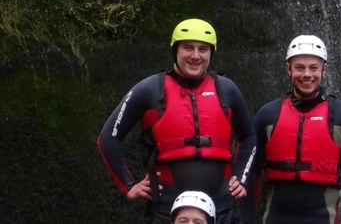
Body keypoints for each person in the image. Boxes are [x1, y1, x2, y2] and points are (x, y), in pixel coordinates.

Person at [98, 18, 257, 224]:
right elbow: (108, 138)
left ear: (211, 53)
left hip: (222, 203)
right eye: (188, 48)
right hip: (167, 204)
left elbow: (249, 136)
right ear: (176, 50)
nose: (195, 56)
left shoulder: (227, 89)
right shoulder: (149, 90)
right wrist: (129, 185)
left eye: (203, 49)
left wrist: (241, 178)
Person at [250, 34, 341, 224]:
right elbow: (251, 171)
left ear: (324, 69)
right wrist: (246, 218)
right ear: (288, 69)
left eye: (313, 68)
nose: (307, 74)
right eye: (299, 67)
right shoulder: (267, 115)